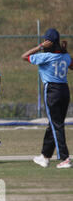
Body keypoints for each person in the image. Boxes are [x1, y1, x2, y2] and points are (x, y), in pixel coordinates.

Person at [22, 28, 73, 169]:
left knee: (56, 125)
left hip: (52, 91)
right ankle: (45, 156)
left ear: (47, 42)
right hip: (64, 90)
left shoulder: (44, 57)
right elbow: (72, 65)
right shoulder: (65, 56)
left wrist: (39, 47)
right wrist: (65, 51)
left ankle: (65, 158)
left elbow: (24, 56)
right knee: (54, 123)